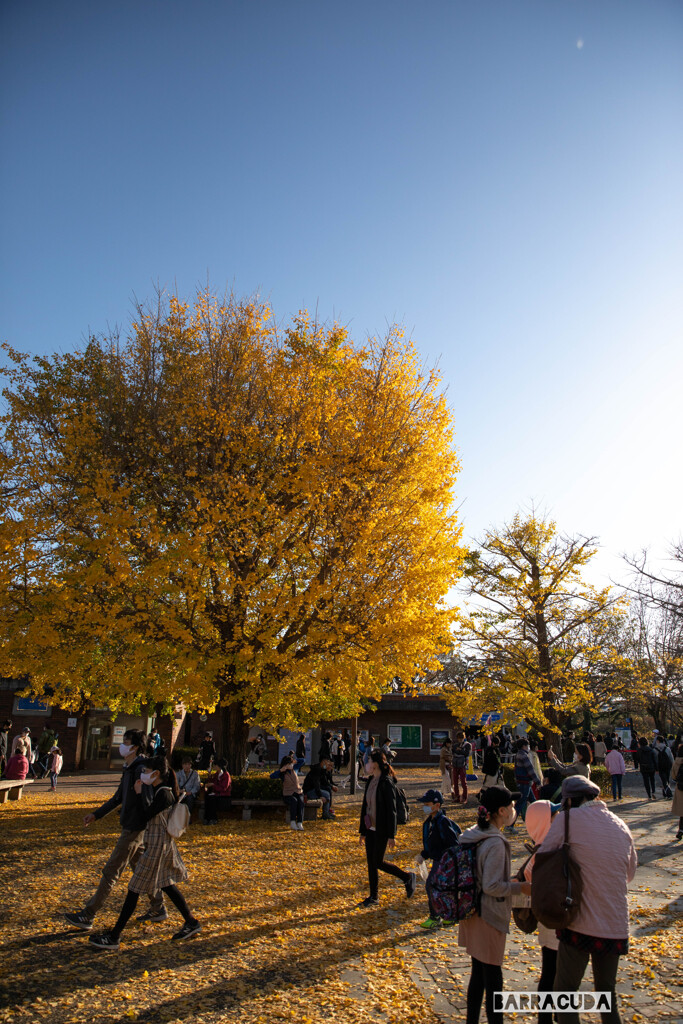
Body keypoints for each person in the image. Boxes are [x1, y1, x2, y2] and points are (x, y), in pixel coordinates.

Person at [538, 776, 637, 1024]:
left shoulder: (566, 819)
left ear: (569, 800)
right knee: (607, 993)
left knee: (565, 991)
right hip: (615, 923)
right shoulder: (620, 825)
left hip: (579, 921)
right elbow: (630, 873)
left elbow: (544, 856)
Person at [88, 755, 201, 949]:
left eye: (147, 771)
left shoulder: (163, 793)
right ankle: (191, 922)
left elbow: (146, 814)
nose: (144, 774)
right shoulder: (159, 790)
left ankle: (114, 936)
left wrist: (140, 793)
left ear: (156, 773)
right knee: (166, 885)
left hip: (157, 846)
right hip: (160, 844)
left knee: (134, 889)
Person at [64, 730, 166, 931]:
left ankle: (89, 913)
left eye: (125, 742)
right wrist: (97, 814)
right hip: (130, 825)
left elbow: (147, 802)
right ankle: (158, 906)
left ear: (135, 746)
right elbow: (118, 797)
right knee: (140, 869)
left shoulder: (141, 770)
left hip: (135, 828)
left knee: (112, 870)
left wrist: (138, 798)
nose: (122, 745)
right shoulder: (129, 768)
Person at [458, 786, 529, 1024]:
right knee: (493, 979)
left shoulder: (474, 833)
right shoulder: (496, 842)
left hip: (471, 911)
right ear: (500, 811)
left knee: (478, 974)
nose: (514, 810)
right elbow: (492, 886)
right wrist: (521, 887)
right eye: (511, 806)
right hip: (488, 915)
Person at [357, 750, 416, 908]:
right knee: (371, 863)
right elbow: (365, 807)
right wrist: (363, 831)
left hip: (382, 828)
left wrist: (392, 834)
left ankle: (407, 877)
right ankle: (373, 896)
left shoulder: (386, 782)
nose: (367, 764)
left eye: (369, 761)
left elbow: (392, 810)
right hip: (371, 828)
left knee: (378, 862)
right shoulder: (370, 781)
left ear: (376, 764)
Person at [523, 800, 562, 1024]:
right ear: (546, 822)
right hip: (553, 917)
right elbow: (528, 877)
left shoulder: (542, 846)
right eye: (555, 814)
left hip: (548, 917)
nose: (559, 817)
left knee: (551, 969)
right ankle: (548, 1016)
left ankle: (550, 1014)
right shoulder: (547, 849)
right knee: (552, 971)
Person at [416, 788, 462, 929]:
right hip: (438, 860)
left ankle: (436, 916)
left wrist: (450, 860)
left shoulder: (443, 822)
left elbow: (453, 843)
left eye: (427, 804)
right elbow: (432, 844)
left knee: (432, 885)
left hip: (446, 862)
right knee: (441, 888)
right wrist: (423, 855)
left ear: (437, 805)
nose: (424, 807)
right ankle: (449, 915)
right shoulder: (429, 823)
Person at [512, 738, 541, 824]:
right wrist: (537, 781)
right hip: (525, 782)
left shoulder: (518, 754)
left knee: (533, 801)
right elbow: (530, 770)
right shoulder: (524, 756)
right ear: (524, 746)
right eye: (527, 745)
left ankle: (541, 818)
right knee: (520, 803)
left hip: (522, 782)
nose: (528, 747)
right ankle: (510, 824)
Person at [203, 757, 232, 825]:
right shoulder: (217, 774)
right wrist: (209, 775)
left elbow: (224, 788)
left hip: (224, 796)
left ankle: (213, 818)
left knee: (212, 800)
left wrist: (213, 785)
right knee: (207, 798)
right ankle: (207, 818)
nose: (214, 767)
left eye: (216, 765)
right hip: (216, 794)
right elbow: (212, 781)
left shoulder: (226, 775)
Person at [281, 755, 305, 830]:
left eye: (291, 763)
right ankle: (293, 821)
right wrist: (281, 770)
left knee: (301, 801)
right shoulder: (282, 773)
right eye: (289, 764)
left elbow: (303, 760)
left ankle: (300, 822)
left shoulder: (294, 769)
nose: (291, 765)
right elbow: (272, 776)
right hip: (288, 793)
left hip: (298, 791)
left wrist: (295, 760)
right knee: (294, 801)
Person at [633, 736, 658, 800]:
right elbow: (654, 759)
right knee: (652, 779)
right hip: (651, 766)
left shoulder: (639, 750)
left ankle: (649, 795)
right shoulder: (651, 750)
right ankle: (653, 791)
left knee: (646, 781)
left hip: (643, 767)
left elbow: (637, 759)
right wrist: (656, 768)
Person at [452, 731, 472, 804]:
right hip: (455, 765)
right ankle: (457, 796)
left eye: (461, 738)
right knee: (455, 782)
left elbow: (467, 753)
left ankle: (464, 797)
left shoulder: (467, 745)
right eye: (459, 738)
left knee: (463, 782)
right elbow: (452, 751)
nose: (460, 740)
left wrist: (460, 751)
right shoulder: (455, 745)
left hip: (462, 765)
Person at [654, 734, 674, 799]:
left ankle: (668, 794)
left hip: (660, 766)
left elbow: (655, 760)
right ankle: (665, 793)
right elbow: (671, 758)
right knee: (667, 779)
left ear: (657, 741)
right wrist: (673, 765)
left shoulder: (655, 749)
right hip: (668, 766)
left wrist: (656, 768)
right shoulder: (667, 748)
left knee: (663, 780)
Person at [670, 743, 683, 841]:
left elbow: (673, 776)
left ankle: (681, 829)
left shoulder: (677, 762)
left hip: (680, 788)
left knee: (682, 813)